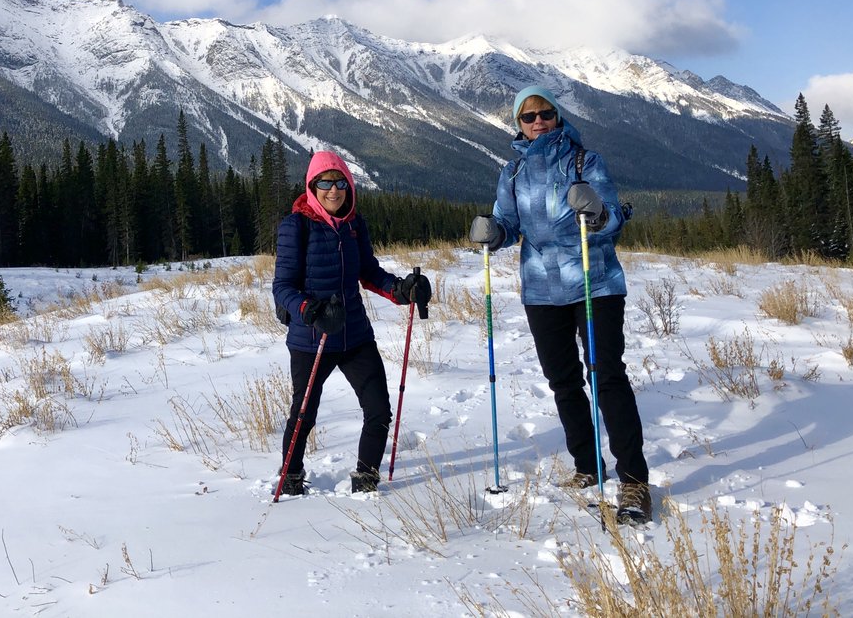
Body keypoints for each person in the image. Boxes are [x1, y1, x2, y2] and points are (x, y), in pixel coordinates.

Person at [469, 85, 651, 525]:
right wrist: (495, 232)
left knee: (606, 376)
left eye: (545, 114)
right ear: (518, 124)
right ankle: (588, 468)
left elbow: (612, 219)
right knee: (564, 382)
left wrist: (600, 214)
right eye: (528, 117)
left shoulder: (585, 162)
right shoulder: (511, 173)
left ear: (557, 116)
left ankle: (634, 481)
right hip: (541, 290)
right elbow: (511, 224)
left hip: (595, 284)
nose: (538, 122)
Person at [272, 150, 432, 495]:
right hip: (311, 338)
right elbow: (282, 286)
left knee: (378, 409)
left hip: (355, 334)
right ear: (312, 186)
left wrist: (402, 290)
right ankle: (291, 477)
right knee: (304, 413)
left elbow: (368, 273)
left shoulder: (354, 225)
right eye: (325, 183)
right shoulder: (295, 225)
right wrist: (309, 310)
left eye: (340, 181)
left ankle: (366, 476)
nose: (334, 190)